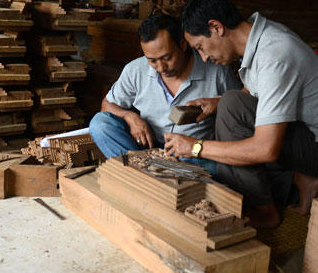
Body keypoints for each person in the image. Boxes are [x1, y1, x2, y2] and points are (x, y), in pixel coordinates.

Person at [164, 0, 318, 227]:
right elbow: (253, 92)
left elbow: (265, 149)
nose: (203, 57)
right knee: (230, 103)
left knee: (232, 110)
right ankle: (301, 178)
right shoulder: (259, 36)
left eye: (201, 47)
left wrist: (194, 147)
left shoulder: (274, 55)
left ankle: (264, 210)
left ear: (216, 27)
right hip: (308, 134)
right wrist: (216, 102)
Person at [89, 13, 241, 172]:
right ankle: (138, 172)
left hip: (191, 154)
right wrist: (128, 116)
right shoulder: (135, 69)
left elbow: (242, 108)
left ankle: (147, 176)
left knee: (225, 169)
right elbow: (106, 105)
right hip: (147, 148)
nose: (161, 67)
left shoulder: (217, 72)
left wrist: (218, 102)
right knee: (100, 123)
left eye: (167, 57)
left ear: (182, 44)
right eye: (152, 60)